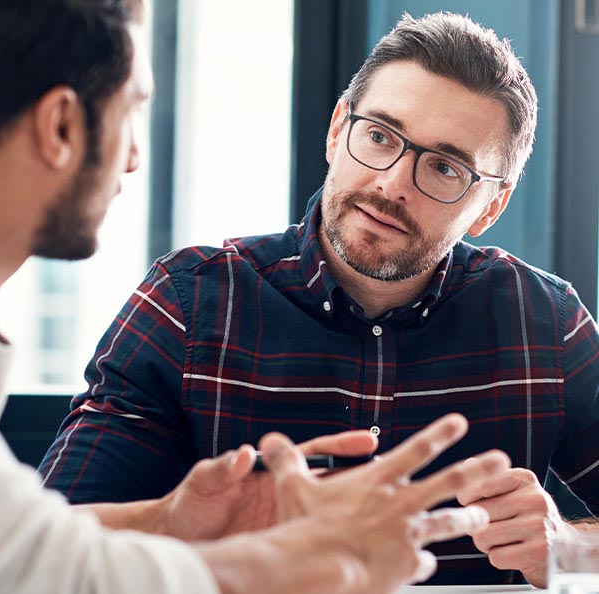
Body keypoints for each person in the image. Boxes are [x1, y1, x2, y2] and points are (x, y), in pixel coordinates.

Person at [0, 1, 514, 594]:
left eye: (445, 166)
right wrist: (312, 557)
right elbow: (18, 575)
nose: (136, 156)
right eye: (133, 110)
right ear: (60, 127)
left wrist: (170, 519)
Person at [39, 10, 599, 588]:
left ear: (489, 207)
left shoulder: (547, 322)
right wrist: (187, 528)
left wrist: (567, 546)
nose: (391, 184)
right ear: (338, 131)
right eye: (379, 136)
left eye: (444, 167)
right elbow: (52, 548)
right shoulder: (187, 303)